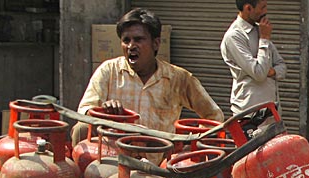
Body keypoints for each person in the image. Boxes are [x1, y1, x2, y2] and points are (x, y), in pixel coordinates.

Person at [76, 8, 223, 138]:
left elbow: (214, 115)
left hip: (160, 160)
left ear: (156, 43)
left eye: (138, 39)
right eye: (126, 40)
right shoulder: (108, 71)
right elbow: (84, 112)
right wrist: (103, 111)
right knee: (80, 129)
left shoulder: (178, 78)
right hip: (116, 158)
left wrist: (189, 144)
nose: (131, 46)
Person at [220, 0, 287, 115]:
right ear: (248, 8)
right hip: (249, 114)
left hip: (271, 112)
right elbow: (259, 73)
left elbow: (282, 66)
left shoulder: (259, 30)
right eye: (262, 7)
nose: (265, 12)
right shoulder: (234, 36)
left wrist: (271, 72)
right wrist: (264, 39)